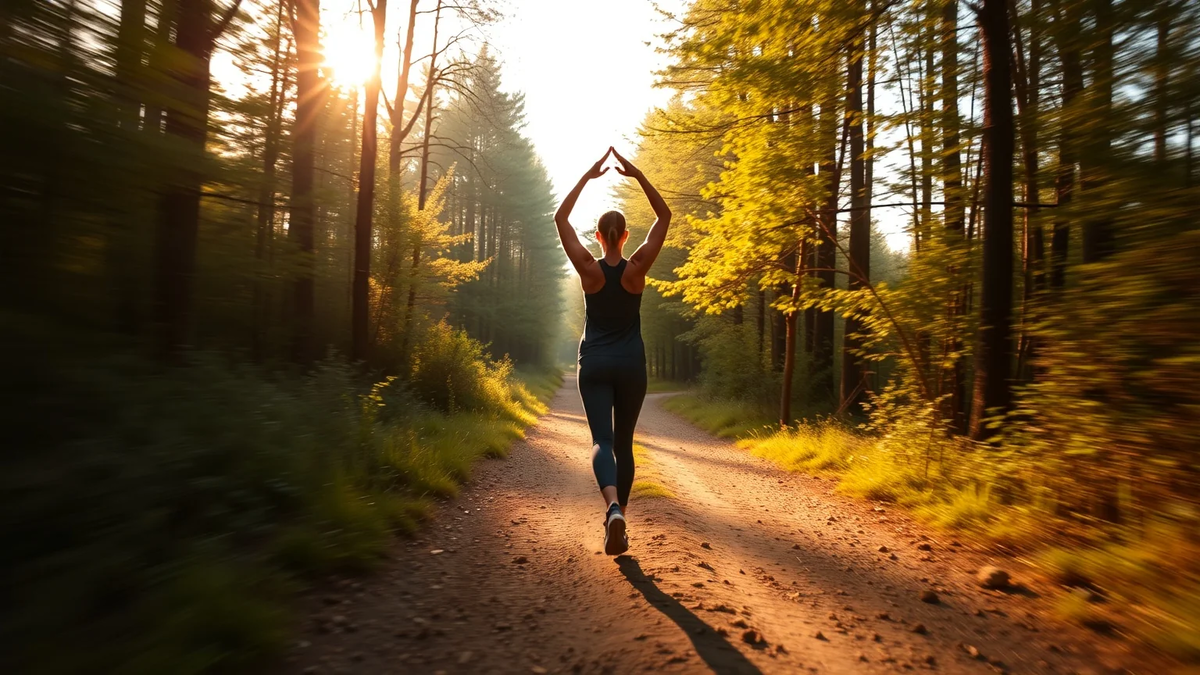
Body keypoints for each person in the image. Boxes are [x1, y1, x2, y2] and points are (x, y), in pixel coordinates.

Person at [554, 146, 672, 556]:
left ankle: (613, 508)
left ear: (599, 237)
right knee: (624, 443)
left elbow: (560, 219)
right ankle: (618, 518)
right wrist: (637, 176)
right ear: (624, 237)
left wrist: (587, 177)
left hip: (595, 364)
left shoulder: (589, 269)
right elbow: (664, 217)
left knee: (601, 441)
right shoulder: (636, 269)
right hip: (631, 365)